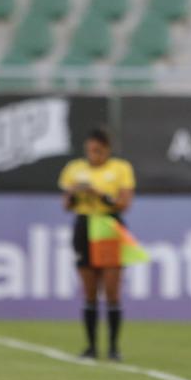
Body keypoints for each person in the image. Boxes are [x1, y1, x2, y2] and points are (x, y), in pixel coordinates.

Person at [59, 128, 137, 361]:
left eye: (98, 151)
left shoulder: (120, 168)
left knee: (112, 291)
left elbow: (123, 204)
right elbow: (66, 205)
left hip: (108, 225)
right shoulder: (74, 170)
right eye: (90, 151)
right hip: (84, 226)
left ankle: (113, 347)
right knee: (89, 291)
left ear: (107, 150)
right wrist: (74, 193)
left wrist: (99, 194)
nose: (93, 155)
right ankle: (91, 347)